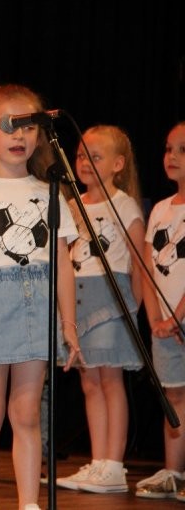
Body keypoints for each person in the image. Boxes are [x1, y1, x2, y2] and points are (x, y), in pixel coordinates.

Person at [0, 84, 83, 510]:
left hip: (39, 302)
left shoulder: (51, 191)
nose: (19, 135)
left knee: (28, 411)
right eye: (7, 125)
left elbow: (63, 264)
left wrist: (69, 324)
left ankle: (29, 503)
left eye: (28, 126)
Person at [55, 125, 145, 493]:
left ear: (118, 164)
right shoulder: (72, 205)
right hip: (78, 301)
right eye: (80, 156)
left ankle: (114, 464)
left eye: (95, 156)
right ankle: (98, 462)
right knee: (89, 382)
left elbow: (140, 264)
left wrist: (132, 308)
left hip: (110, 301)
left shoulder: (124, 206)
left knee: (110, 380)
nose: (84, 162)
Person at [136, 121, 185, 500]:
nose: (172, 156)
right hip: (165, 324)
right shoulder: (161, 210)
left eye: (183, 150)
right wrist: (155, 318)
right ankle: (173, 472)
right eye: (169, 149)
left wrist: (177, 316)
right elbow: (147, 267)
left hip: (179, 319)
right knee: (174, 395)